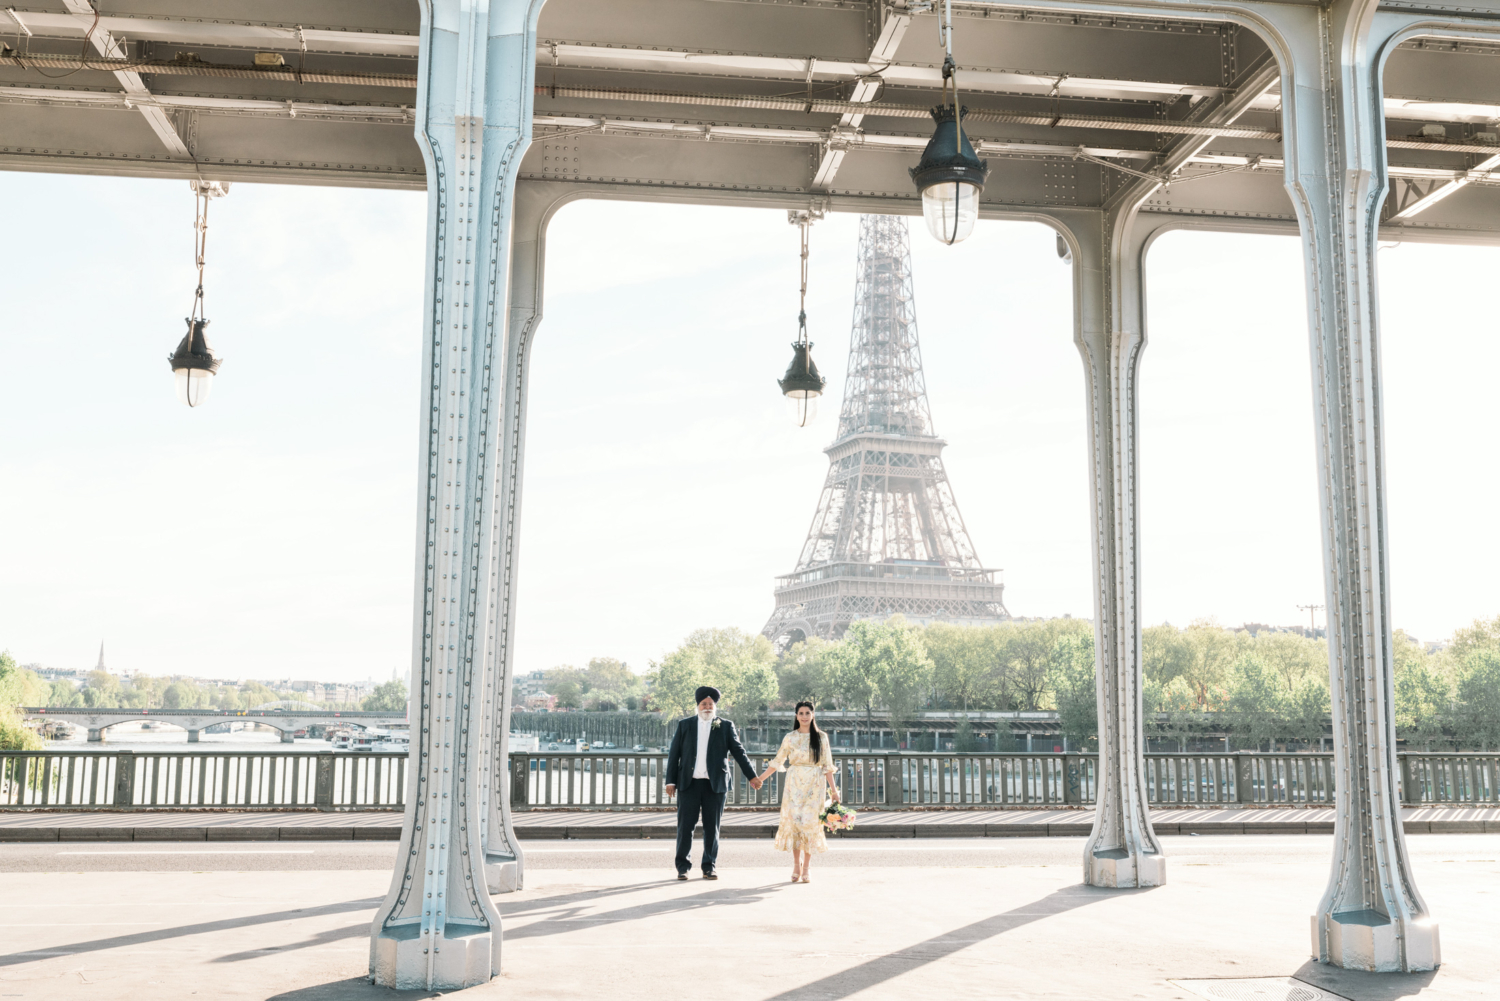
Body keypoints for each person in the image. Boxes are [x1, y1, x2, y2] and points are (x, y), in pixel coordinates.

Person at [664, 686, 762, 880]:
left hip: (715, 785)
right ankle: (683, 867)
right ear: (698, 706)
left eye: (711, 704)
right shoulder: (685, 725)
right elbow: (674, 754)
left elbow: (739, 752)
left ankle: (709, 866)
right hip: (688, 784)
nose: (707, 707)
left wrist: (752, 776)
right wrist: (670, 781)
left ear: (715, 706)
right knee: (685, 828)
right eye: (704, 704)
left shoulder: (725, 725)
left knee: (712, 827)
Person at [756, 700, 839, 883]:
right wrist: (760, 779)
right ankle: (796, 865)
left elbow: (827, 766)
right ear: (796, 716)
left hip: (815, 785)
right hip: (794, 784)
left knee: (809, 824)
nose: (804, 716)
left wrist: (834, 792)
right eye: (800, 713)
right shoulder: (790, 737)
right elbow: (778, 761)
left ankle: (807, 867)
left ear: (813, 715)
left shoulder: (821, 737)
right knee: (795, 824)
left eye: (807, 713)